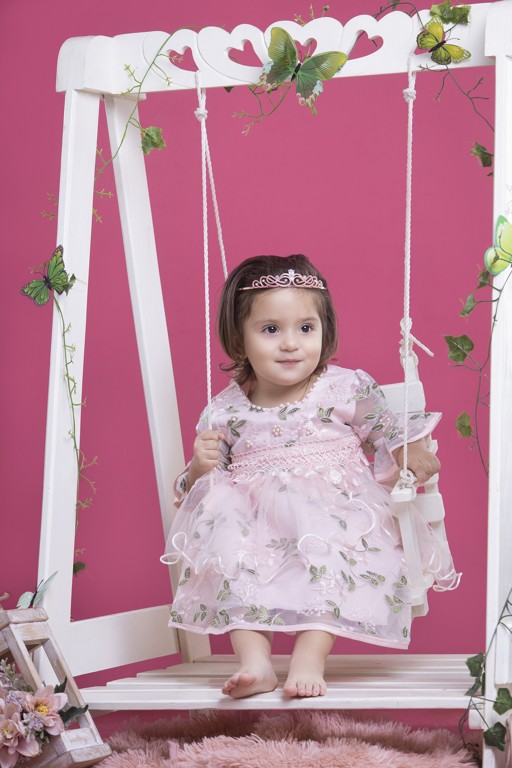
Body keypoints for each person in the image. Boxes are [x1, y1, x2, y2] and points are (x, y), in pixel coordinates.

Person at [161, 254, 460, 700]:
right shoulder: (224, 410)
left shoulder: (344, 387)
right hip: (257, 527)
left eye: (305, 328)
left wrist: (408, 448)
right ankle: (256, 662)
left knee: (338, 551)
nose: (290, 343)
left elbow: (386, 430)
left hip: (334, 512)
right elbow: (195, 495)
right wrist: (198, 467)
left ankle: (309, 656)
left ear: (324, 330)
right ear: (239, 339)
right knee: (227, 547)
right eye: (270, 329)